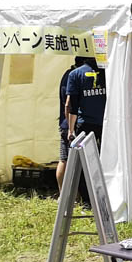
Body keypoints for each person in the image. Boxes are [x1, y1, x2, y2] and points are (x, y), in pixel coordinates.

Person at [65, 56, 107, 149]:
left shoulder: (75, 74)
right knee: (107, 157)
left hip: (85, 124)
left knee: (85, 158)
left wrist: (71, 131)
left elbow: (72, 106)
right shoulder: (108, 71)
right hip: (106, 122)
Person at [55, 61, 77, 189]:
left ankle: (63, 194)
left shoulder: (67, 75)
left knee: (63, 159)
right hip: (70, 124)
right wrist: (71, 127)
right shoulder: (74, 76)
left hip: (65, 123)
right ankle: (70, 195)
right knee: (67, 160)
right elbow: (68, 104)